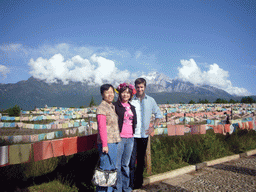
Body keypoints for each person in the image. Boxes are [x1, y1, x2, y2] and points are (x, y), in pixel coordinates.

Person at [129, 78, 163, 189]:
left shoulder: (151, 100)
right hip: (132, 135)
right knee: (131, 160)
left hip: (144, 135)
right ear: (135, 88)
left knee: (141, 160)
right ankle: (130, 183)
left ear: (145, 87)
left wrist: (153, 127)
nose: (139, 89)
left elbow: (159, 115)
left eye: (141, 87)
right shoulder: (131, 100)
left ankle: (139, 182)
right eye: (138, 87)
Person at [96, 84, 121, 192]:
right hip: (107, 143)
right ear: (102, 94)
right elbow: (102, 128)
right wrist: (105, 144)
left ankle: (109, 190)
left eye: (112, 92)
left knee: (111, 170)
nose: (110, 94)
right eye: (107, 92)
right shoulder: (102, 108)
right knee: (105, 171)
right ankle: (102, 191)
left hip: (114, 142)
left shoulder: (111, 106)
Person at [113, 83, 137, 192]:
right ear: (119, 93)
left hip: (130, 138)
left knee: (125, 165)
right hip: (120, 138)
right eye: (123, 92)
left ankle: (126, 188)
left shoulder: (132, 107)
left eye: (128, 92)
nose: (125, 94)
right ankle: (118, 189)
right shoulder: (115, 106)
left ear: (131, 94)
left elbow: (134, 122)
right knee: (117, 165)